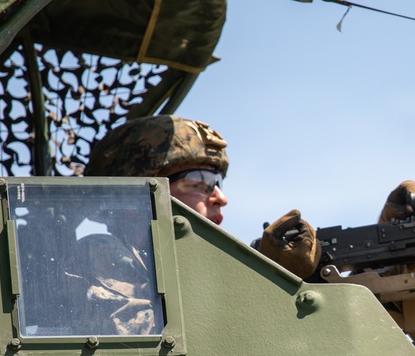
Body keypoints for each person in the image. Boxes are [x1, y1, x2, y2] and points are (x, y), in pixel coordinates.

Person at [86, 115, 320, 279]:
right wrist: (267, 279)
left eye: (217, 182)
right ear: (134, 198)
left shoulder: (182, 270)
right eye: (198, 183)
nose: (221, 198)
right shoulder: (98, 264)